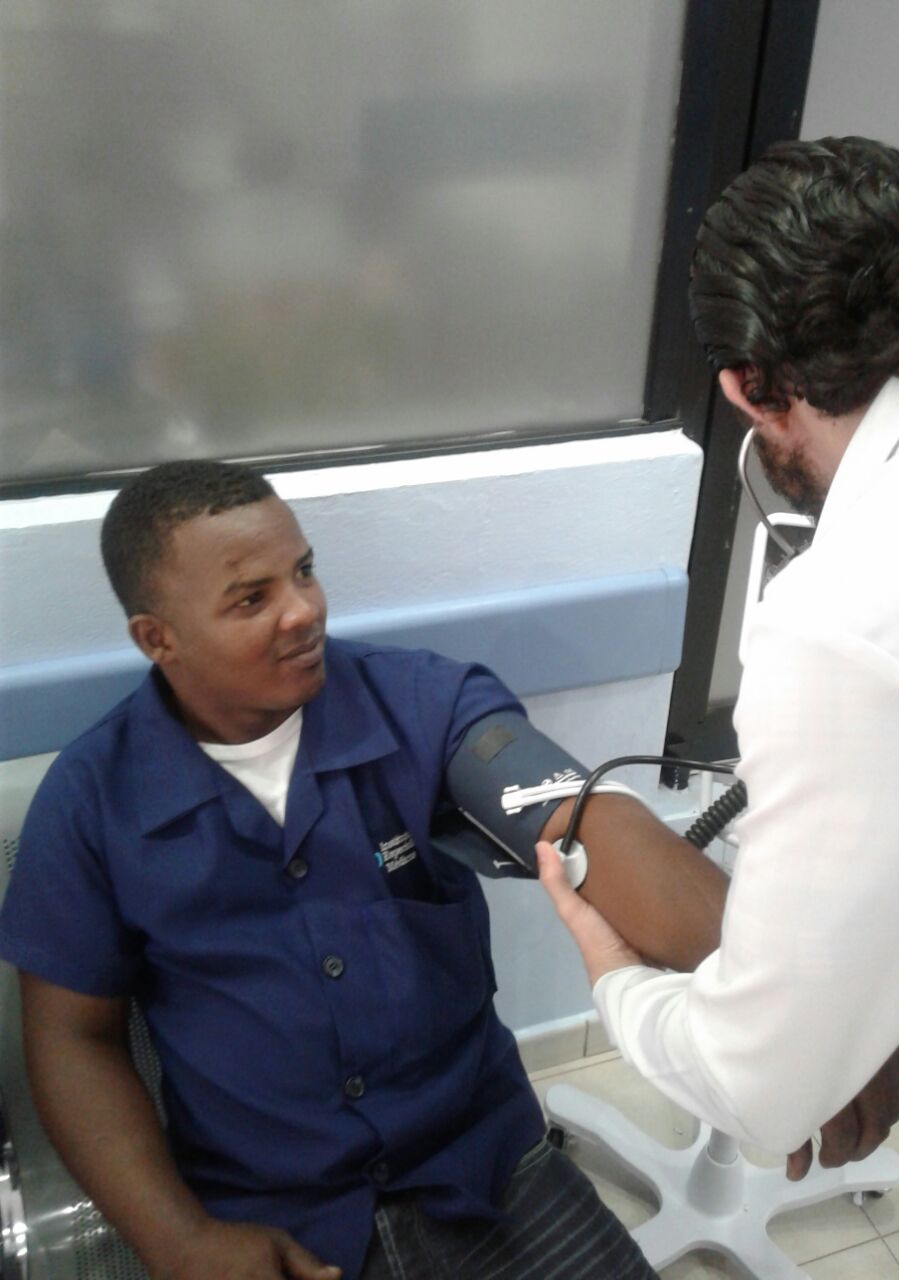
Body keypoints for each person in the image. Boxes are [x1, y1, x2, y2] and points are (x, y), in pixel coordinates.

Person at [0, 460, 733, 1280]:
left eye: (304, 571)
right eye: (252, 598)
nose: (304, 610)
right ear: (157, 637)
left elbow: (585, 820)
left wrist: (783, 1009)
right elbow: (73, 1039)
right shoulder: (92, 802)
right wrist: (181, 1242)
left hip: (483, 1169)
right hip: (267, 1220)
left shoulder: (421, 706)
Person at [538, 135, 899, 1279]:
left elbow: (756, 1083)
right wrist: (854, 1002)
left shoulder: (850, 616)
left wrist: (614, 973)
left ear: (745, 387)